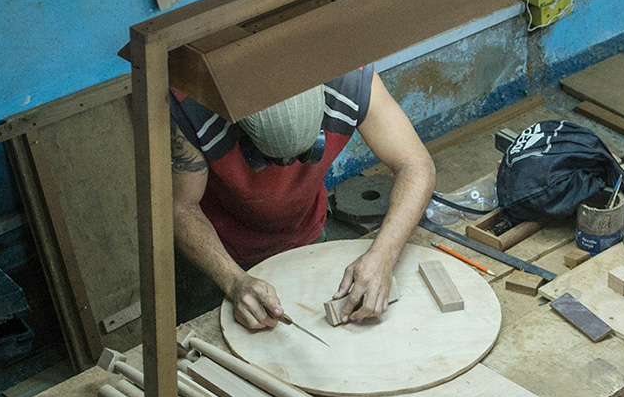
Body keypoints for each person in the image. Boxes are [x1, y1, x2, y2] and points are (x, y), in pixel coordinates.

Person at [169, 65, 435, 330]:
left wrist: (382, 257)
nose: (287, 168)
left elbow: (415, 164)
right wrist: (233, 280)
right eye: (270, 159)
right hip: (217, 253)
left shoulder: (347, 76)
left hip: (305, 234)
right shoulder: (191, 103)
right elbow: (181, 208)